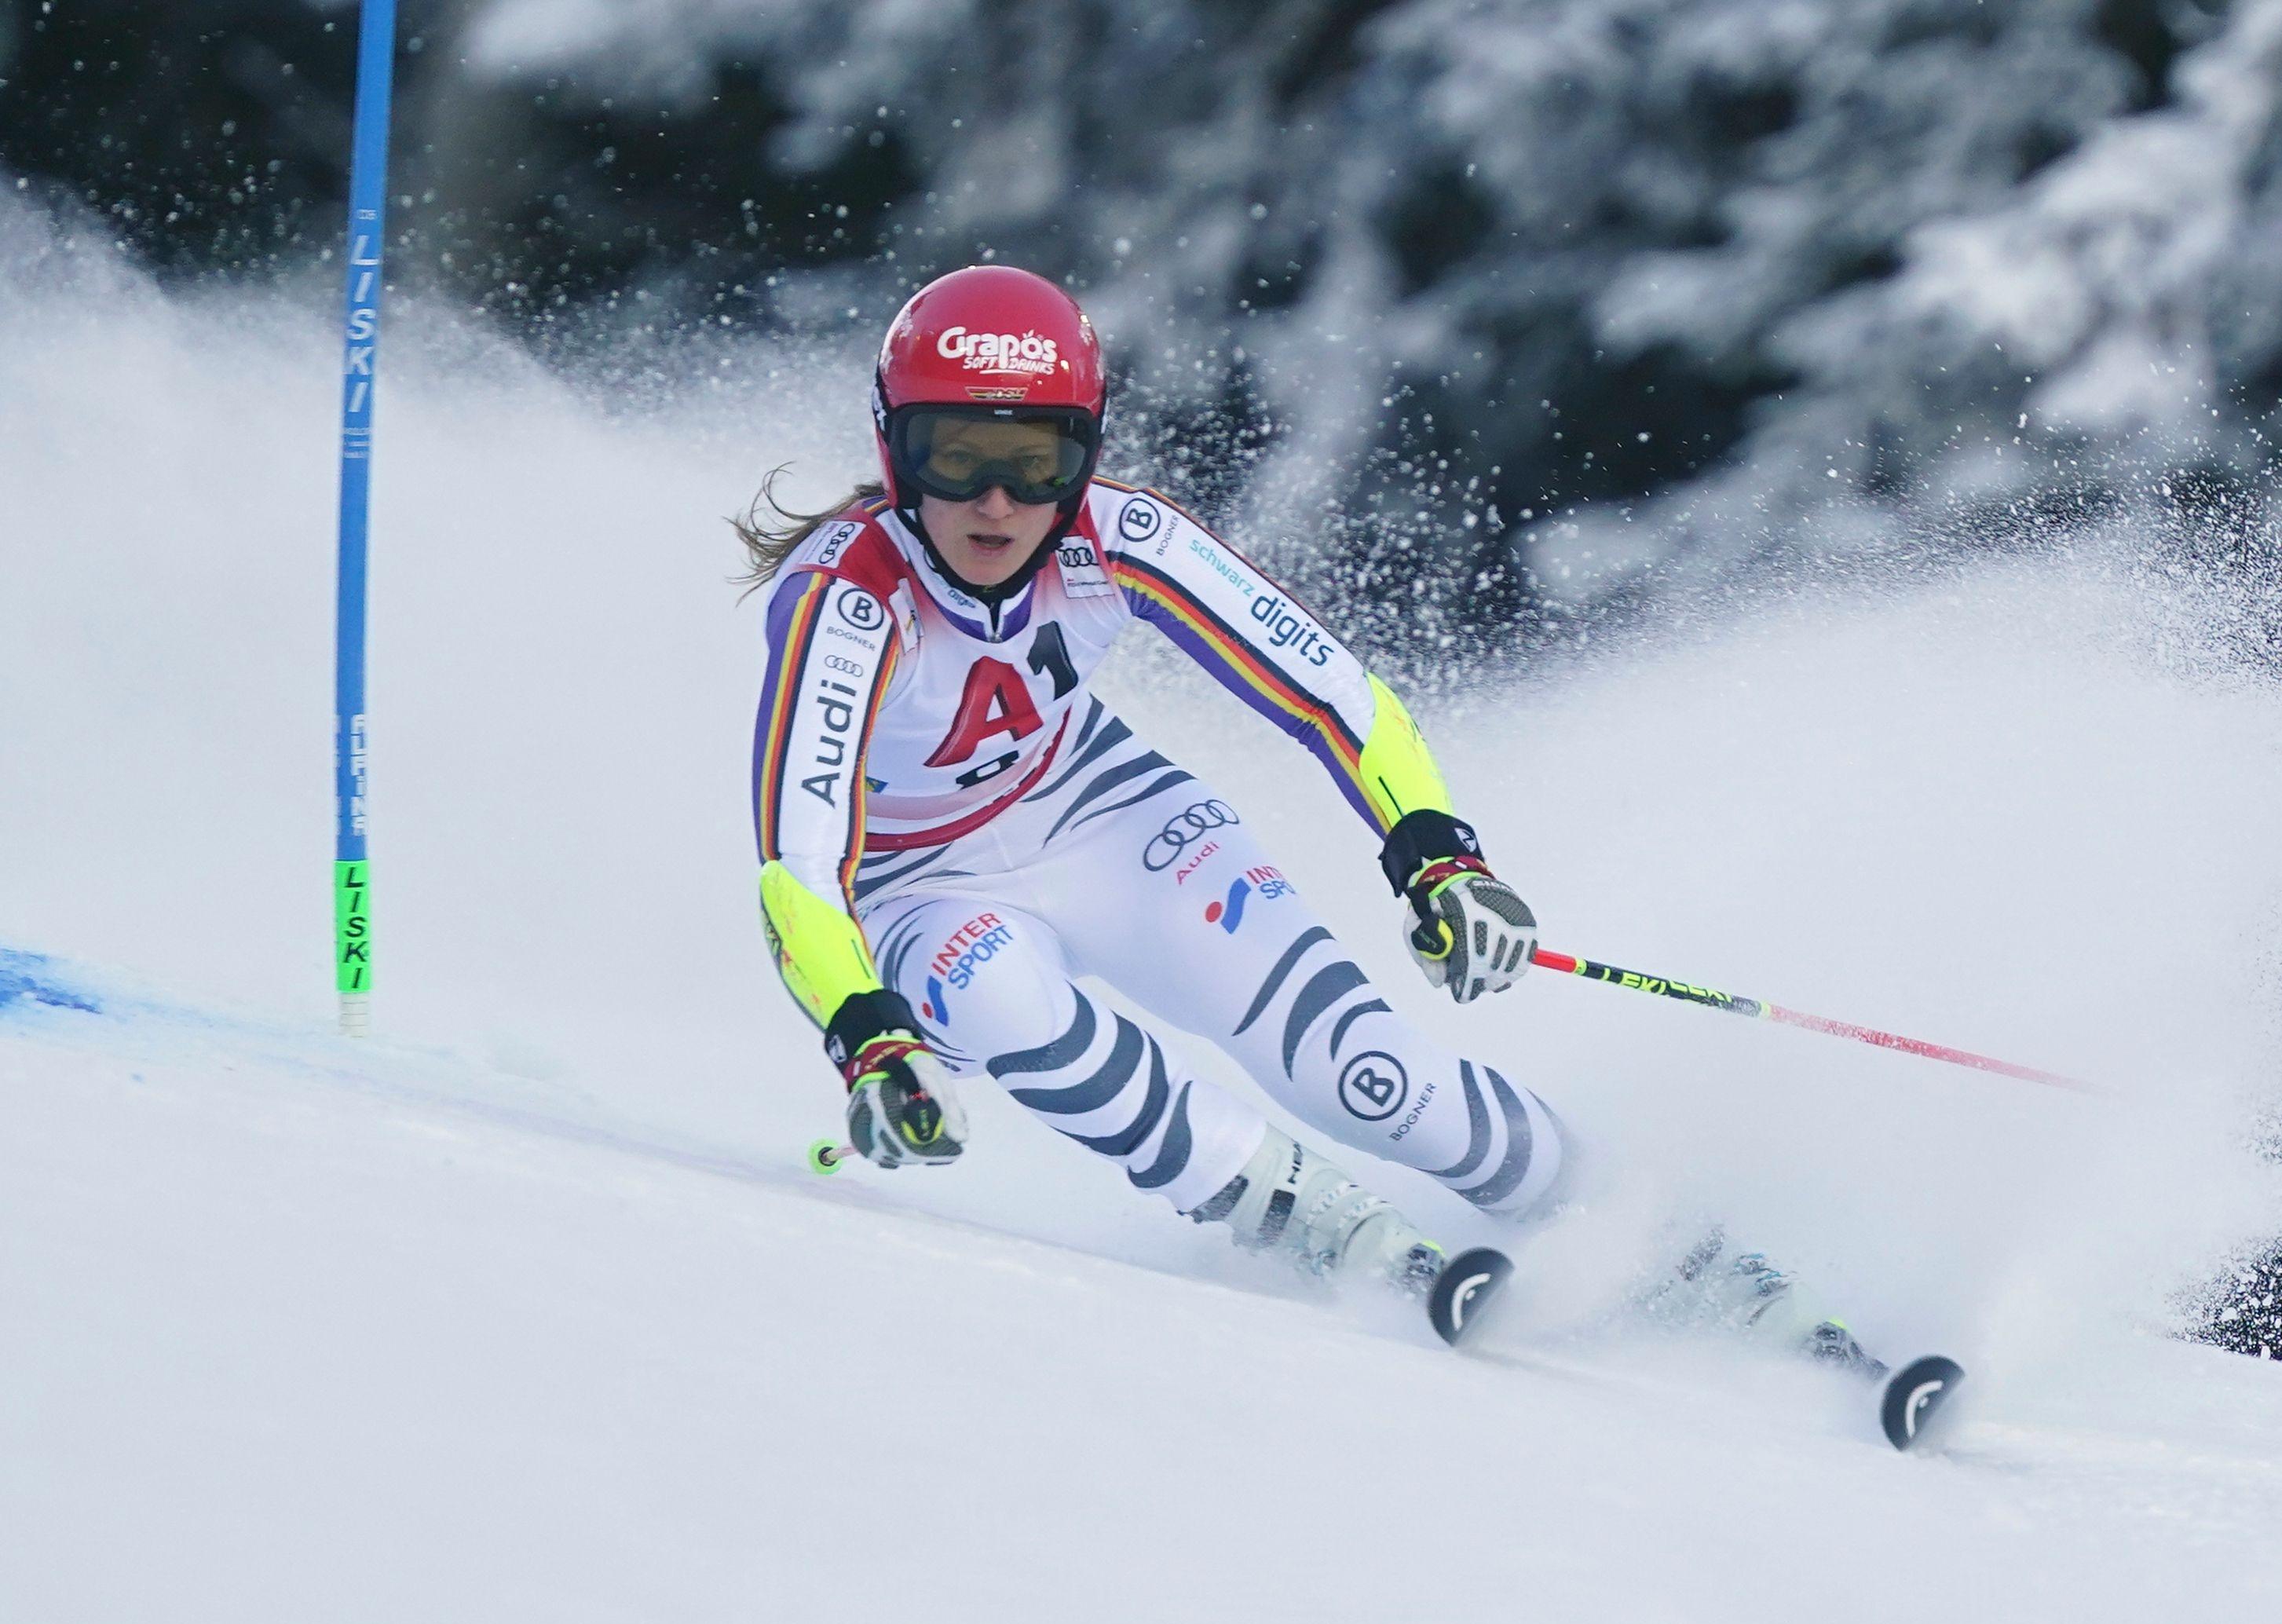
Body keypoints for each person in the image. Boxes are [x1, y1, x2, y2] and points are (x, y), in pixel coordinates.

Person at [740, 265, 1868, 1358]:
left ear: (1084, 456)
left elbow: (1334, 694)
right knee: (999, 996)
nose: (996, 502)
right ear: (894, 449)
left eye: (1037, 461)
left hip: (1100, 813)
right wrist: (870, 1037)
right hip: (916, 888)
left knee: (1371, 1078)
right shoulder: (847, 603)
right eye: (957, 455)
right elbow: (798, 863)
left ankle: (1687, 1262)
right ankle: (1327, 1228)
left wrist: (1438, 857)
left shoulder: (1118, 539)